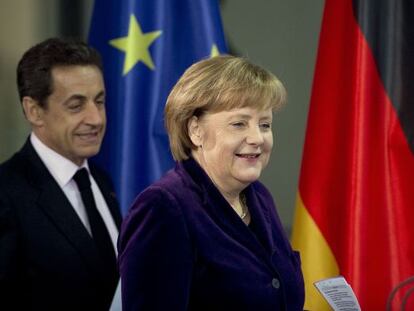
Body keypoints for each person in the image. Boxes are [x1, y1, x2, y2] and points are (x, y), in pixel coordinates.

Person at [118, 55, 305, 310]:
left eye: (265, 124)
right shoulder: (163, 208)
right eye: (239, 124)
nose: (257, 138)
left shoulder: (259, 197)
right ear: (195, 130)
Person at [0, 38, 122, 310]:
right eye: (76, 105)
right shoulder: (6, 194)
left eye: (99, 101)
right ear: (34, 111)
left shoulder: (102, 182)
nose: (96, 119)